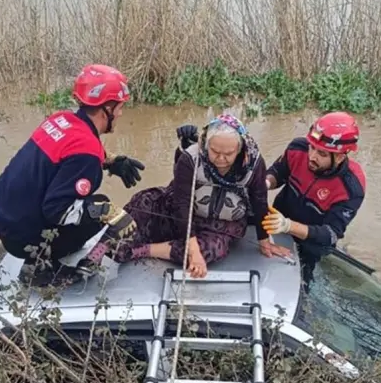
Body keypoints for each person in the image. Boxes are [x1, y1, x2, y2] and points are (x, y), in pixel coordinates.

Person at [0, 63, 146, 285]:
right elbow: (56, 210)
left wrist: (110, 161)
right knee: (102, 210)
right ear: (106, 109)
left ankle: (45, 251)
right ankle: (41, 269)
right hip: (22, 238)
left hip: (4, 218)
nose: (120, 113)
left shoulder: (60, 120)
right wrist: (109, 212)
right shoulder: (86, 153)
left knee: (92, 207)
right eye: (119, 107)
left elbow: (66, 153)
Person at [86, 112, 291, 278]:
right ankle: (101, 247)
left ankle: (140, 251)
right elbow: (181, 205)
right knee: (143, 201)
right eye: (214, 151)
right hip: (182, 214)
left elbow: (259, 199)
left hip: (220, 227)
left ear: (240, 148)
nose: (220, 159)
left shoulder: (254, 164)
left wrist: (265, 241)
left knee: (210, 251)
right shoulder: (190, 159)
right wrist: (191, 250)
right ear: (205, 144)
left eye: (228, 154)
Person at [260, 111, 366, 279]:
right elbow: (278, 172)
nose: (312, 156)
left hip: (311, 244)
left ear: (339, 157)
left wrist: (289, 226)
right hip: (277, 225)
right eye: (312, 147)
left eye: (322, 154)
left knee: (303, 281)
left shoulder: (351, 188)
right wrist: (265, 183)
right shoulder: (297, 148)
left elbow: (330, 233)